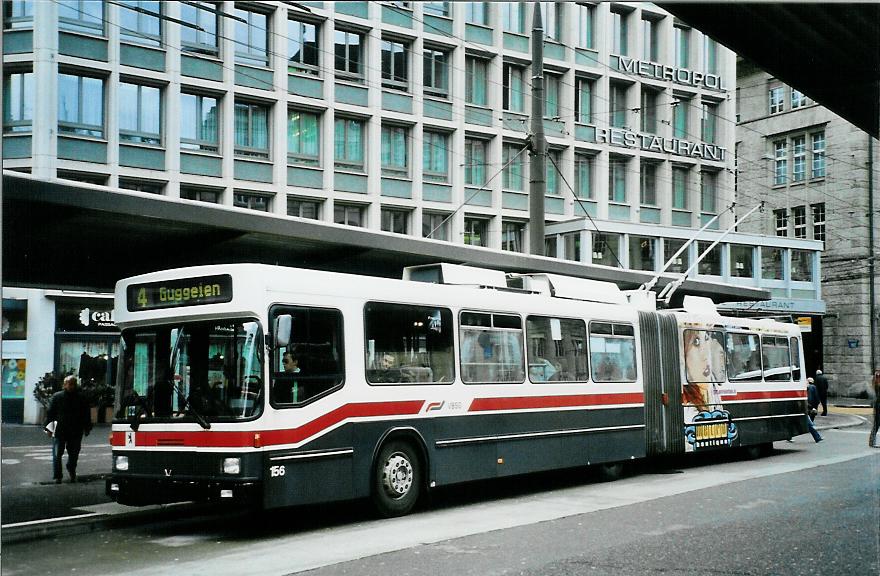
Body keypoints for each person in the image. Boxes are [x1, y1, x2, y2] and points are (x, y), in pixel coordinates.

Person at [46, 375, 92, 483]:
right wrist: (49, 429)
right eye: (69, 384)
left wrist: (87, 427)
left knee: (73, 453)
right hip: (61, 430)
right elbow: (50, 414)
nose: (71, 386)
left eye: (73, 384)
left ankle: (70, 470)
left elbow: (86, 414)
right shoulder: (58, 397)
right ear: (64, 385)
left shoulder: (81, 398)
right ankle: (58, 475)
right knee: (58, 454)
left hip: (74, 430)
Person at [804, 377, 823, 443]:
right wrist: (813, 406)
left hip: (805, 408)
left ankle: (817, 437)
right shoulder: (811, 388)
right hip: (805, 408)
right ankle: (817, 438)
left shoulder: (807, 389)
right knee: (810, 424)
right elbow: (813, 397)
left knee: (809, 424)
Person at [869, 369, 880, 448]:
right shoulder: (877, 383)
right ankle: (872, 442)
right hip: (878, 405)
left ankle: (872, 442)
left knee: (876, 424)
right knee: (876, 424)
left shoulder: (875, 382)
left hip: (877, 405)